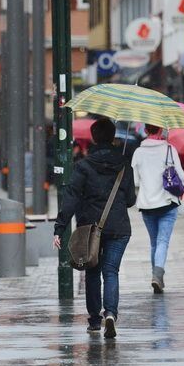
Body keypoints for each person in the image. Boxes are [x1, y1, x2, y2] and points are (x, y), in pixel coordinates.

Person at [54, 118, 136, 338]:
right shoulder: (123, 164)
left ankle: (94, 320)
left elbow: (70, 198)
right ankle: (110, 313)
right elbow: (130, 200)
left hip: (90, 228)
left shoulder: (83, 166)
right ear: (113, 136)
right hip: (119, 227)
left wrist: (59, 227)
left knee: (92, 270)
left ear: (93, 138)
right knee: (111, 272)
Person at [131, 125, 184, 294]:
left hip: (147, 205)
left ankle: (156, 276)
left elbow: (134, 181)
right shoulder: (170, 149)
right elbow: (181, 175)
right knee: (162, 242)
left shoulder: (138, 152)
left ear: (146, 131)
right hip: (167, 202)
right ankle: (157, 275)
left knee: (154, 243)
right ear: (161, 130)